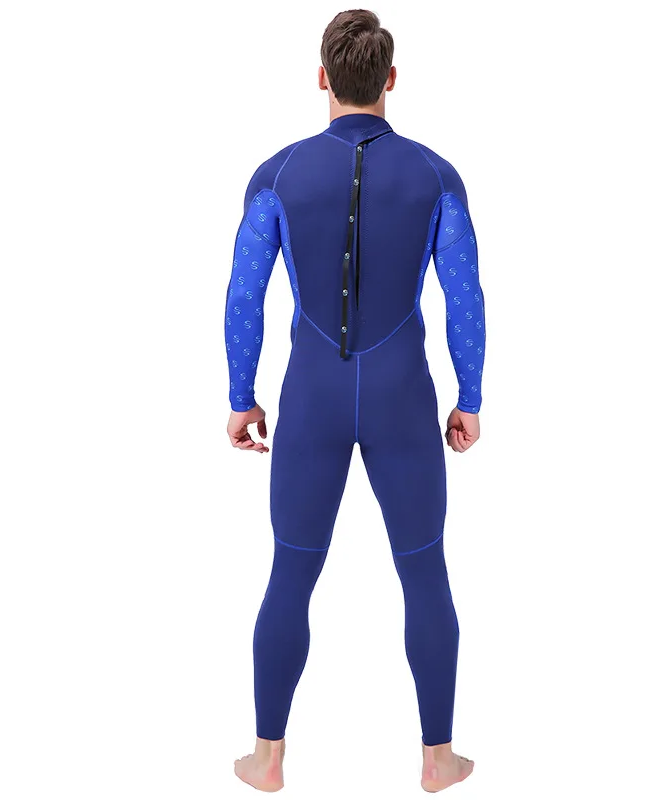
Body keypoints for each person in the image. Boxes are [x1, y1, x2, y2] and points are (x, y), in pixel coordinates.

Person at [224, 9, 485, 793]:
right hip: (404, 397)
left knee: (290, 575)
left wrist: (241, 395)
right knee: (426, 572)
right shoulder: (437, 176)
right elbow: (464, 297)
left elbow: (244, 296)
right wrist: (470, 397)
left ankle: (268, 758)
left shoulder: (277, 175)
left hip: (312, 398)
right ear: (391, 80)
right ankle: (438, 759)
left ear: (322, 78)